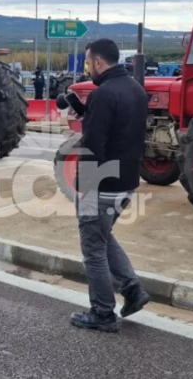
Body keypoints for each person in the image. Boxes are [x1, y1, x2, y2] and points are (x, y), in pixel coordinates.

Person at [71, 38, 151, 333]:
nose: (87, 67)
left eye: (88, 62)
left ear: (99, 62)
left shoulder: (103, 94)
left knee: (93, 248)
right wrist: (86, 112)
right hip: (127, 181)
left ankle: (103, 312)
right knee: (103, 236)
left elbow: (94, 144)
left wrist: (84, 185)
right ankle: (132, 289)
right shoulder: (136, 89)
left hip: (102, 185)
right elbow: (120, 131)